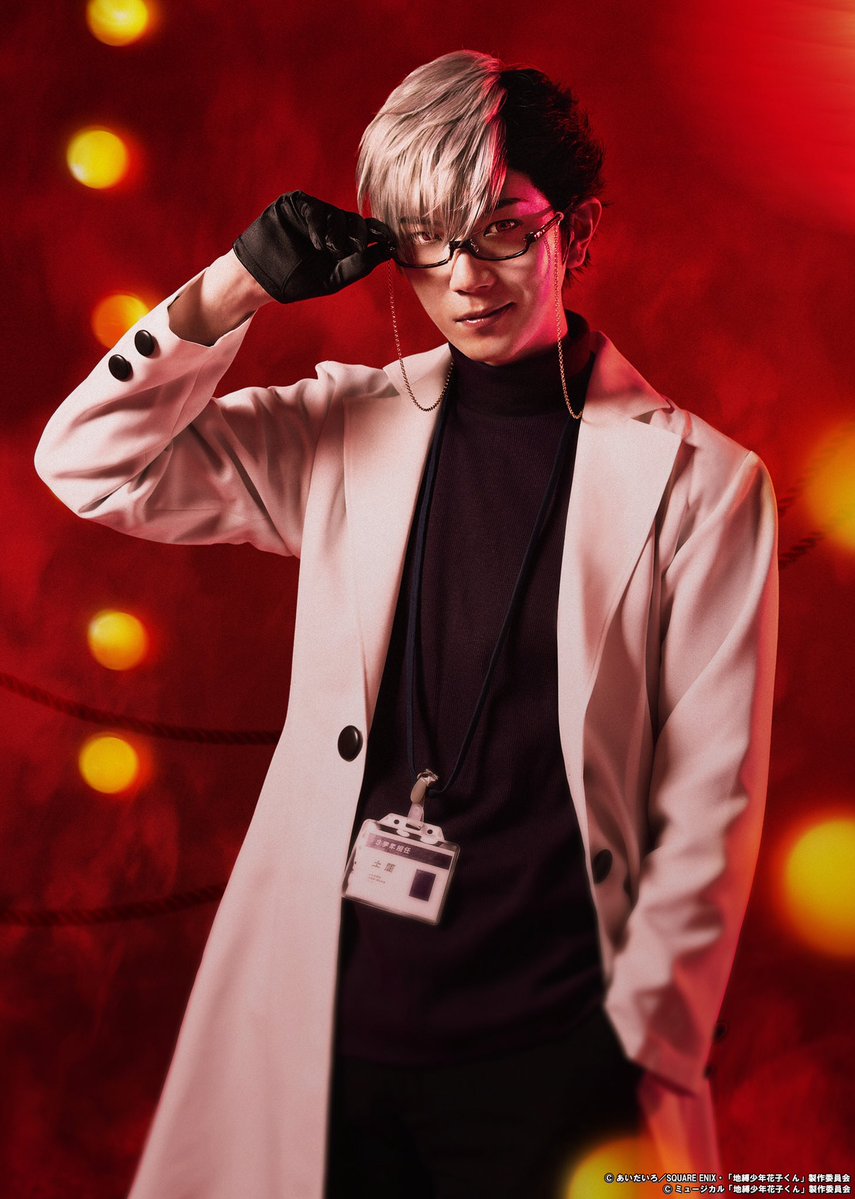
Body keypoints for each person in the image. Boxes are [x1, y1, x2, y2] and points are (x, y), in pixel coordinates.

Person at [35, 49, 778, 1199]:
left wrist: (639, 1048)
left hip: (554, 1055)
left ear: (577, 231)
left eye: (502, 232)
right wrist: (232, 288)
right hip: (333, 1039)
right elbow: (90, 462)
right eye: (427, 239)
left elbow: (709, 803)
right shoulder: (348, 425)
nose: (465, 276)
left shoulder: (705, 487)